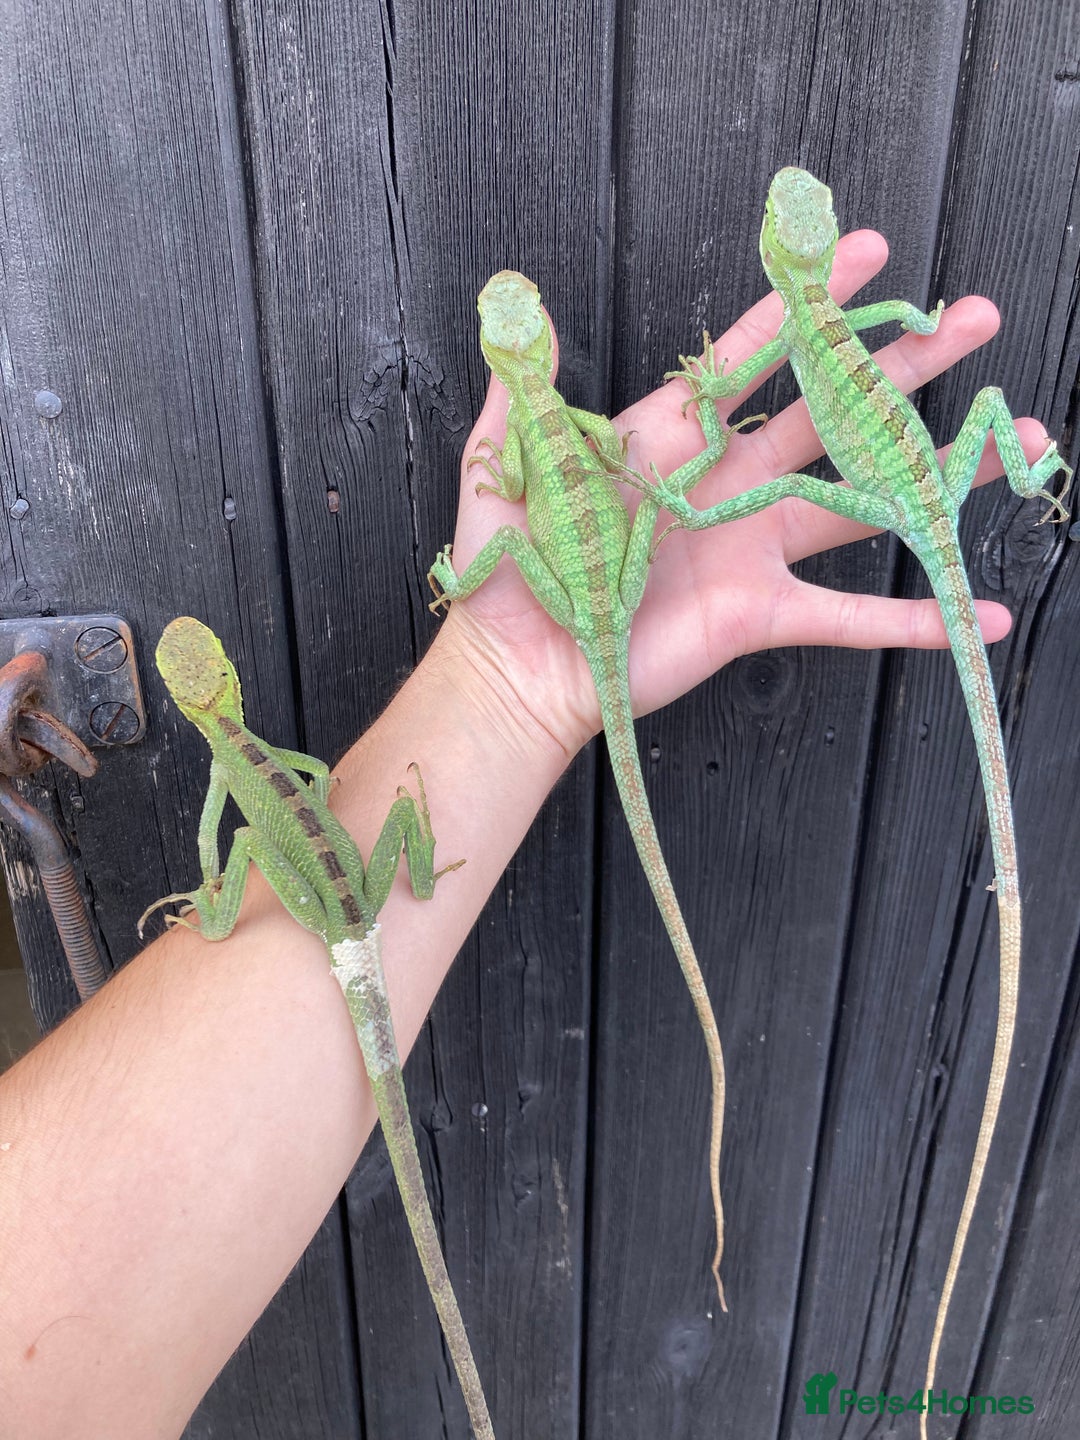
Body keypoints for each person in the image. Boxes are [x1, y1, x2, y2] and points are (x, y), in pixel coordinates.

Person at [0, 230, 1045, 1439]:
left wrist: (492, 616)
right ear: (536, 350)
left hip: (565, 601)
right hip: (591, 584)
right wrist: (523, 634)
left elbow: (243, 819)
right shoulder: (584, 443)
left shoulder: (249, 771)